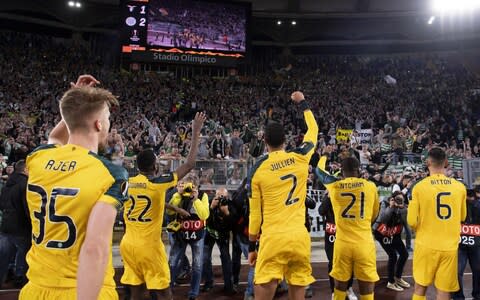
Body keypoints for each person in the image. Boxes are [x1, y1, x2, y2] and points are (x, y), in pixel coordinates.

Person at [20, 75, 130, 300]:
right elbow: (94, 249)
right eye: (107, 118)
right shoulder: (110, 173)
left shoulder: (37, 157)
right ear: (99, 124)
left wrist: (74, 102)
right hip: (83, 290)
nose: (108, 124)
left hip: (35, 289)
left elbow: (55, 137)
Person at [119, 112, 204, 300]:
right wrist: (196, 132)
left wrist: (175, 209)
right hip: (149, 246)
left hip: (128, 244)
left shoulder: (127, 184)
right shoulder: (157, 184)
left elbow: (146, 203)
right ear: (154, 167)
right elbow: (189, 164)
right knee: (165, 293)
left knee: (137, 293)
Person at [247, 91, 318, 300]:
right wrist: (303, 103)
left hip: (273, 240)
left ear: (265, 140)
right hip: (299, 238)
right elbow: (313, 129)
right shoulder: (301, 157)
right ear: (285, 140)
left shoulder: (257, 170)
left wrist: (252, 247)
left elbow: (255, 216)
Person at [315, 155, 380, 300]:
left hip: (342, 243)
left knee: (339, 288)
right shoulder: (370, 186)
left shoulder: (334, 186)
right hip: (364, 242)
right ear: (359, 170)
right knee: (367, 288)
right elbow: (375, 214)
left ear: (342, 171)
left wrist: (324, 157)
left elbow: (319, 171)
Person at [407, 147, 467, 300]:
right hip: (449, 247)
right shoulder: (460, 188)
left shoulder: (419, 187)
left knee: (420, 288)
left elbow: (412, 221)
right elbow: (462, 216)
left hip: (425, 245)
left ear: (428, 162)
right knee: (444, 291)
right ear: (446, 162)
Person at [167, 175, 210, 300]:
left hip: (198, 234)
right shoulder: (178, 195)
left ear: (196, 187)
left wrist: (196, 199)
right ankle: (168, 290)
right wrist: (177, 195)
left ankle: (193, 293)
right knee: (173, 262)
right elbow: (169, 212)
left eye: (191, 187)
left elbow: (204, 215)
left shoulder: (203, 196)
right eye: (186, 186)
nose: (188, 189)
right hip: (180, 234)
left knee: (197, 264)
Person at [0, 160, 30, 287]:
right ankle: (19, 280)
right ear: (25, 170)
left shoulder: (7, 184)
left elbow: (2, 204)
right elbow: (27, 208)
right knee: (22, 256)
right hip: (21, 227)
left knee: (4, 257)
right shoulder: (25, 185)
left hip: (6, 225)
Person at [373, 191, 410, 292]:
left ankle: (398, 277)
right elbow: (383, 219)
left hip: (394, 233)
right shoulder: (385, 203)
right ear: (392, 198)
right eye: (397, 199)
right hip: (382, 232)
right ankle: (390, 282)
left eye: (401, 199)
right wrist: (391, 207)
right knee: (393, 255)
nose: (399, 201)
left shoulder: (403, 207)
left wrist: (402, 208)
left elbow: (405, 220)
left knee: (404, 254)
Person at [202, 187, 236, 294]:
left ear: (227, 196)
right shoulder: (210, 202)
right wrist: (211, 207)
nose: (221, 198)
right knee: (205, 258)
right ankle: (209, 282)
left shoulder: (230, 205)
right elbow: (204, 219)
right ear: (215, 195)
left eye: (224, 197)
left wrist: (226, 212)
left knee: (226, 259)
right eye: (219, 196)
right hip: (210, 232)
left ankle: (229, 285)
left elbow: (233, 224)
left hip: (222, 234)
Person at [452, 187, 480, 300]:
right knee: (458, 272)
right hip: (462, 245)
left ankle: (475, 295)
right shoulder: (457, 207)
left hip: (473, 245)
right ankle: (460, 296)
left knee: (476, 271)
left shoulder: (477, 206)